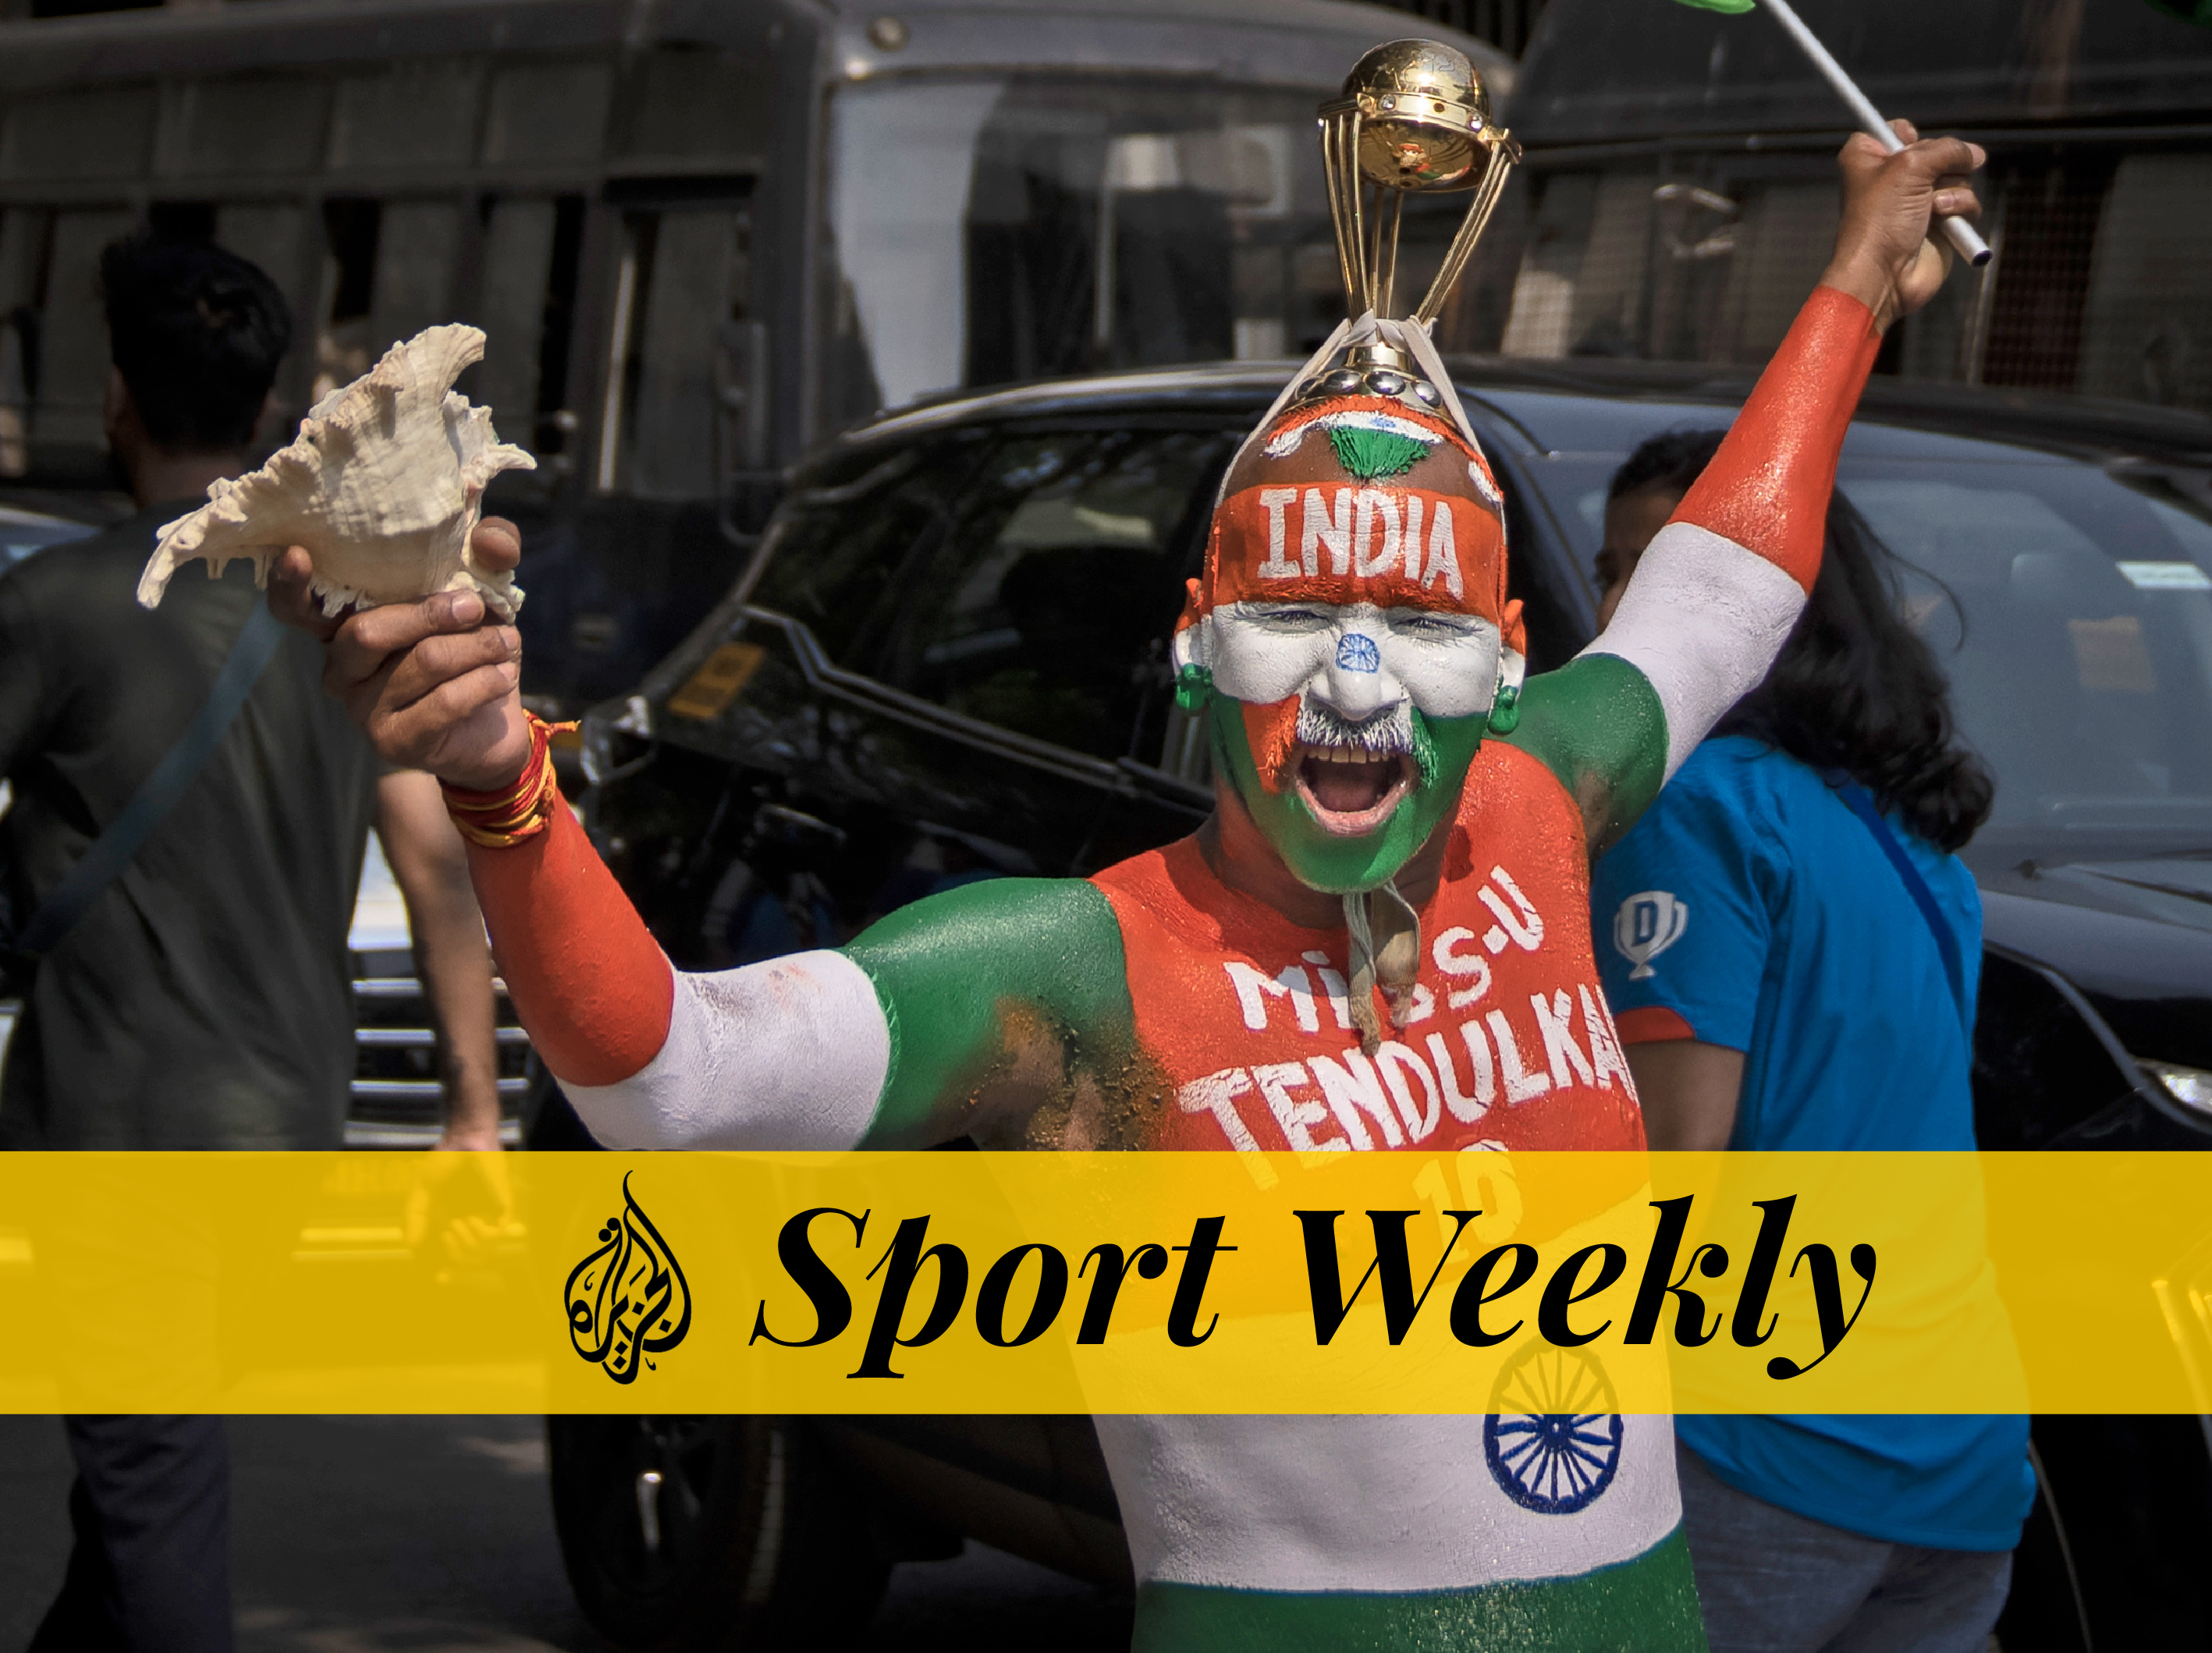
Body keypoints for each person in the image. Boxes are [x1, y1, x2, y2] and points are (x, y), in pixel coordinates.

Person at [282, 124, 1985, 1651]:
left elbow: (1719, 594)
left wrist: (1852, 278)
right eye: (1300, 621)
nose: (1358, 692)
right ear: (1194, 646)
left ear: (1509, 664)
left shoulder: (1530, 817)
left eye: (1422, 634)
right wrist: (505, 784)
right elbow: (670, 1079)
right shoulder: (1076, 972)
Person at [0, 234, 502, 1651]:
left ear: (117, 399)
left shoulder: (61, 602)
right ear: (270, 407)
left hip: (120, 1138)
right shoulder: (336, 607)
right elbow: (434, 869)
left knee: (153, 1487)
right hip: (290, 1123)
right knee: (135, 1483)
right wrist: (475, 1115)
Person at [1588, 428, 2033, 1651]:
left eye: (1659, 573)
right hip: (1961, 1461)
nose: (1618, 608)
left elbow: (1673, 1158)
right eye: (1610, 569)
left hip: (1764, 1450)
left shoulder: (1693, 806)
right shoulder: (1909, 841)